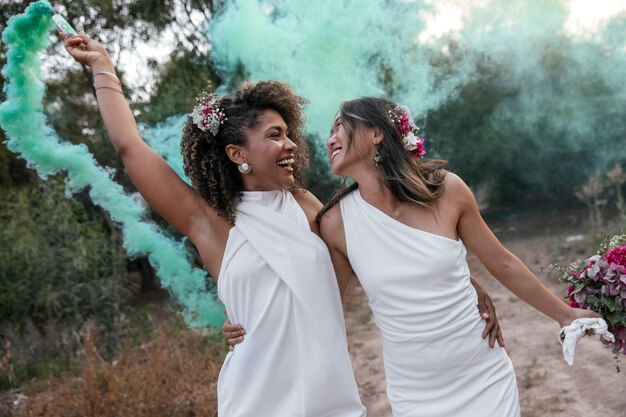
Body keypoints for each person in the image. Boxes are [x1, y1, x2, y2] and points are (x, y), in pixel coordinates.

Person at [62, 32, 366, 416]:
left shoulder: (306, 205)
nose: (291, 144)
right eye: (275, 135)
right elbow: (130, 146)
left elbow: (355, 264)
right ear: (237, 153)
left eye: (289, 134)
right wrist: (102, 66)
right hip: (257, 400)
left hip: (330, 395)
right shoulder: (209, 220)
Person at [315, 97, 599, 416]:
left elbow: (503, 263)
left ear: (376, 133)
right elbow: (325, 309)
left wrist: (564, 314)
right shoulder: (335, 224)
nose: (330, 139)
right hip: (415, 390)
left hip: (483, 373)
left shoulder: (447, 191)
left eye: (340, 127)